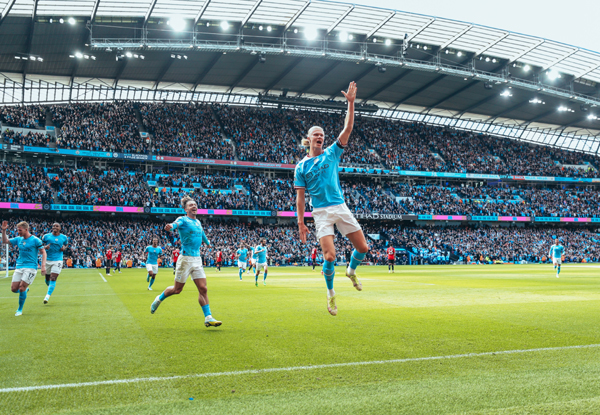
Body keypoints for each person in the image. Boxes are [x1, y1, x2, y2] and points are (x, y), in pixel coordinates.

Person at [294, 81, 367, 316]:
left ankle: (351, 271)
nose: (320, 137)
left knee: (363, 248)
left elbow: (347, 129)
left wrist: (351, 104)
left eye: (322, 135)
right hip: (321, 212)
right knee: (330, 255)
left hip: (340, 206)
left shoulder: (332, 152)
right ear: (308, 139)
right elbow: (300, 197)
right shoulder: (301, 166)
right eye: (316, 134)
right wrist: (301, 222)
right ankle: (331, 293)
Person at [151, 195, 221, 328]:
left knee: (203, 288)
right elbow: (175, 225)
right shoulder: (183, 219)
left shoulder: (198, 222)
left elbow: (202, 233)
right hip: (185, 260)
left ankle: (208, 317)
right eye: (191, 205)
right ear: (185, 209)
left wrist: (208, 242)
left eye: (195, 204)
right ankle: (159, 299)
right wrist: (170, 227)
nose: (194, 206)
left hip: (197, 259)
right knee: (177, 290)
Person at [2, 221, 47, 316]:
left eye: (20, 230)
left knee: (21, 287)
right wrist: (3, 231)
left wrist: (43, 266)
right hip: (19, 266)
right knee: (14, 289)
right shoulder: (18, 239)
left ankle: (19, 309)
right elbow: (5, 241)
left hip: (31, 267)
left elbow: (43, 252)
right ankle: (25, 291)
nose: (18, 231)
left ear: (26, 229)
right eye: (17, 230)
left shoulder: (35, 240)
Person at [41, 223, 69, 304]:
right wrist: (45, 247)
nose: (55, 227)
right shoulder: (46, 236)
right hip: (47, 259)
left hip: (58, 259)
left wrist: (64, 248)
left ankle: (47, 296)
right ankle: (49, 285)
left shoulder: (63, 237)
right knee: (47, 279)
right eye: (53, 226)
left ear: (60, 228)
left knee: (53, 278)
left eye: (57, 226)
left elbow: (66, 244)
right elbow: (40, 244)